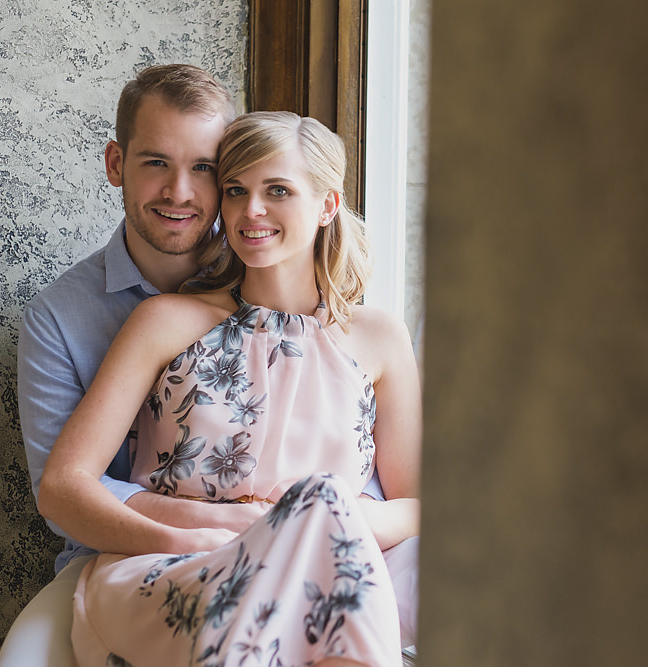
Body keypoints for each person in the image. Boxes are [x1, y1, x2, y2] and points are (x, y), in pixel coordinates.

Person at [38, 111, 421, 666]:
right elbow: (62, 487)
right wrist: (192, 540)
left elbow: (416, 504)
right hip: (181, 567)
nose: (251, 211)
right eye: (236, 190)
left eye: (278, 190)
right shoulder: (166, 321)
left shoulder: (380, 338)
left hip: (329, 563)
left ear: (328, 205)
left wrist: (314, 519)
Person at [2, 64, 239, 667]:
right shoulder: (57, 317)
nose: (180, 191)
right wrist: (195, 535)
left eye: (204, 167)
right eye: (156, 162)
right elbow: (68, 501)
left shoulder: (270, 288)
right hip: (112, 559)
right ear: (116, 165)